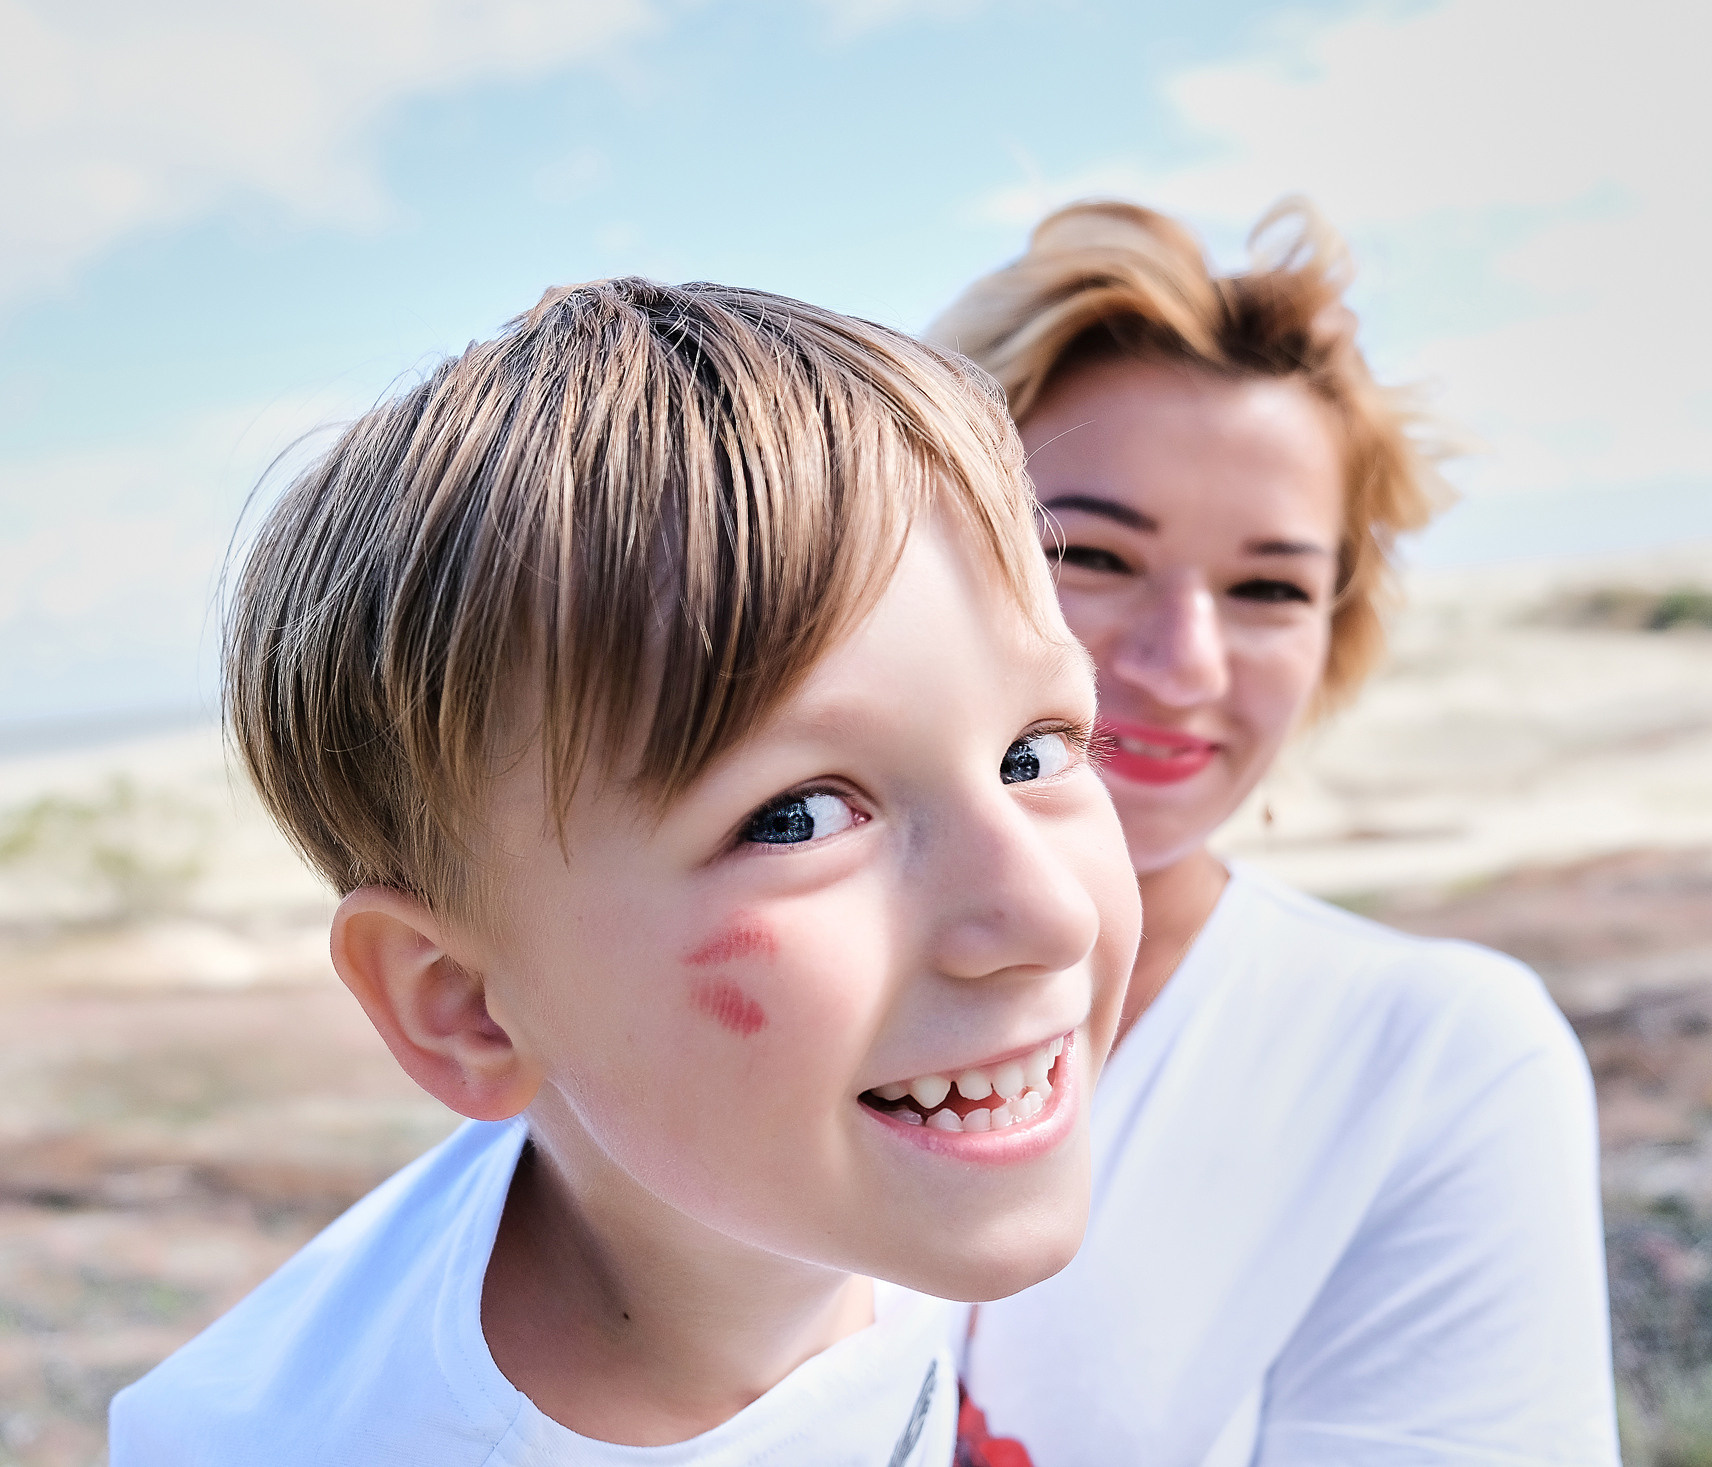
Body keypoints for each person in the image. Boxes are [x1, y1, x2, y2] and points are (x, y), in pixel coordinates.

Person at [109, 278, 1142, 1464]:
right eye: (796, 819)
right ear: (463, 1006)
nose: (1045, 913)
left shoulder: (849, 1168)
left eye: (1033, 752)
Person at [929, 201, 1619, 1465]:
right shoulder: (707, 966)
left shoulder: (1436, 1061)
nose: (1179, 666)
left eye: (1266, 587)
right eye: (1089, 553)